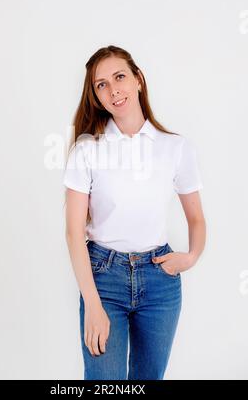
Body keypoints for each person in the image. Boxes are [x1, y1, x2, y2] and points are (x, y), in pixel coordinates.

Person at [63, 45, 206, 380]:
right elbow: (73, 233)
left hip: (159, 282)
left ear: (138, 79)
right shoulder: (87, 150)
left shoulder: (175, 148)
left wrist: (192, 255)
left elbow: (197, 219)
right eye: (101, 85)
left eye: (119, 77)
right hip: (103, 280)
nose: (113, 89)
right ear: (96, 96)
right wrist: (93, 305)